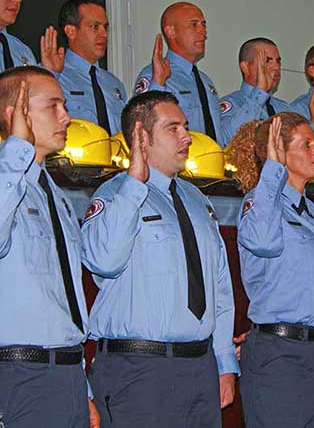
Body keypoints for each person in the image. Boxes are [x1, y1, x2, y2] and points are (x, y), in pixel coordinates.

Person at [81, 90, 239, 427]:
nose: (187, 137)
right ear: (141, 136)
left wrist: (224, 363)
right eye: (173, 128)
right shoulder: (113, 196)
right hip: (139, 370)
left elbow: (219, 288)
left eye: (186, 127)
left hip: (199, 366)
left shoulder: (197, 200)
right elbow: (102, 262)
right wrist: (135, 184)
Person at [226, 112, 314, 427]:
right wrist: (272, 171)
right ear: (277, 152)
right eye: (306, 144)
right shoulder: (259, 204)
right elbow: (263, 241)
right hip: (282, 355)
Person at [0, 66, 99, 427]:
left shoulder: (52, 192)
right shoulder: (5, 178)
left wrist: (82, 389)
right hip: (19, 373)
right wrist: (16, 148)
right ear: (16, 115)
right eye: (52, 106)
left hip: (67, 373)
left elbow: (61, 298)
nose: (66, 117)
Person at [134, 2, 223, 145]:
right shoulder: (154, 74)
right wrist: (158, 82)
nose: (203, 32)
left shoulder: (206, 81)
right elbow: (143, 125)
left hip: (212, 163)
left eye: (203, 25)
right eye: (194, 25)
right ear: (171, 32)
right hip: (177, 164)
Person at [56, 0, 127, 134]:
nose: (104, 34)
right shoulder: (54, 76)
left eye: (105, 27)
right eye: (94, 27)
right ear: (71, 31)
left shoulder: (113, 83)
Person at [219, 37, 292, 146]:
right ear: (245, 67)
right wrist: (260, 91)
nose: (276, 67)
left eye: (278, 61)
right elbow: (227, 141)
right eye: (267, 61)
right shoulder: (231, 104)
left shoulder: (285, 109)